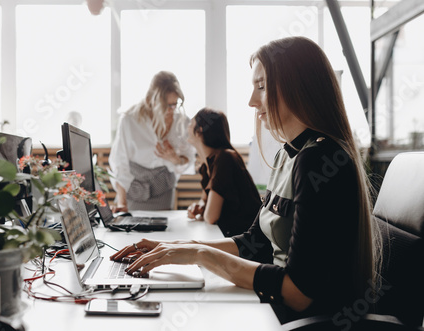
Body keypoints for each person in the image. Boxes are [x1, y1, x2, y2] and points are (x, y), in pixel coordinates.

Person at [110, 36, 378, 323]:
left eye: (261, 87)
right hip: (274, 310)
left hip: (295, 321)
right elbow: (255, 243)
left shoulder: (319, 160)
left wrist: (200, 254)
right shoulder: (287, 155)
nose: (252, 101)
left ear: (298, 87)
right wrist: (179, 248)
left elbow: (299, 293)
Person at [108, 71, 196, 211]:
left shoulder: (183, 122)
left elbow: (189, 158)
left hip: (163, 191)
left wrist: (176, 159)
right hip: (132, 191)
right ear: (150, 100)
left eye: (175, 104)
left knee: (161, 231)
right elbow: (120, 164)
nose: (171, 110)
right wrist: (122, 204)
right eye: (165, 105)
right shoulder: (129, 121)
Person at [186, 107, 262, 237]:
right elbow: (204, 200)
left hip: (246, 241)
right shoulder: (207, 165)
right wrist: (198, 206)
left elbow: (211, 217)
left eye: (190, 123)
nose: (187, 128)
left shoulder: (225, 158)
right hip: (231, 235)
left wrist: (204, 210)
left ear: (199, 130)